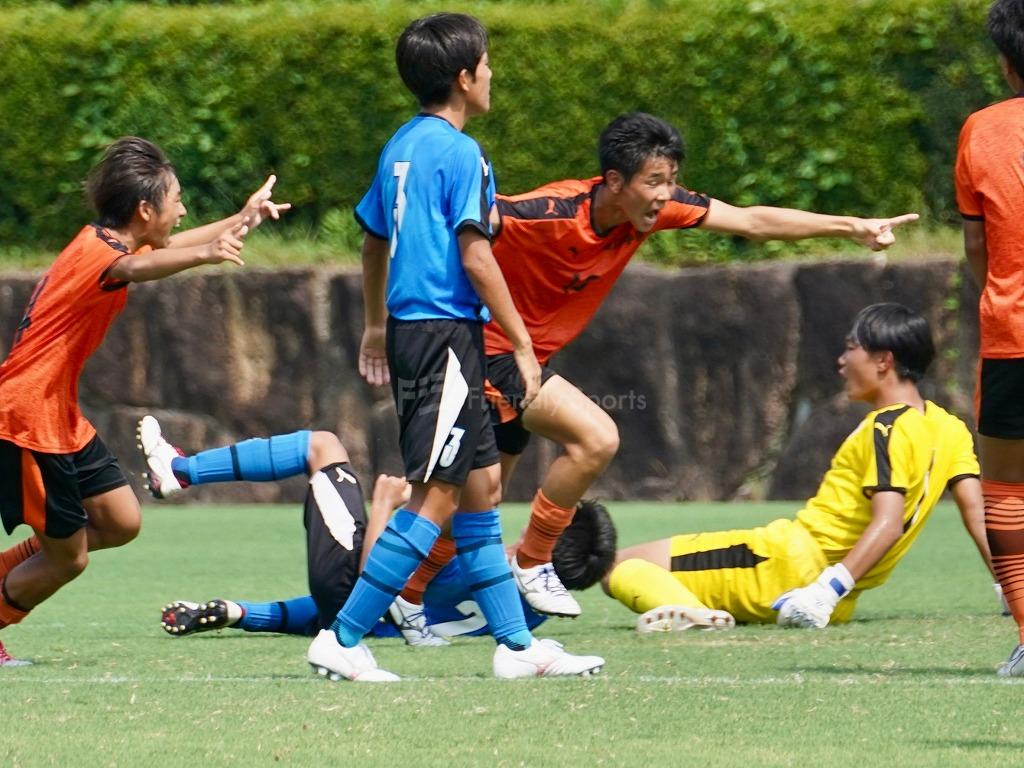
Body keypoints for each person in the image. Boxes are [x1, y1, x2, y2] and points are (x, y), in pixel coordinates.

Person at [381, 112, 921, 622]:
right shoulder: (547, 212)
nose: (664, 194)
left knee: (474, 501)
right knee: (595, 437)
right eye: (654, 180)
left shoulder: (653, 213)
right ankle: (532, 561)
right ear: (615, 180)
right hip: (489, 352)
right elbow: (467, 226)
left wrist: (850, 225)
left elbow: (752, 221)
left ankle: (406, 598)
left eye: (672, 180)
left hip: (521, 362)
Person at [333, 12, 602, 681]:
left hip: (415, 333)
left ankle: (517, 648)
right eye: (486, 63)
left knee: (481, 489)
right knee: (437, 497)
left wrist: (373, 324)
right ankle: (343, 638)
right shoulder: (463, 153)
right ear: (463, 77)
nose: (492, 73)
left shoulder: (401, 144)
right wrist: (522, 344)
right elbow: (477, 256)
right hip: (445, 336)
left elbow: (373, 242)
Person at [0, 137, 289, 667]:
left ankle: (7, 573)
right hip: (26, 418)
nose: (181, 210)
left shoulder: (109, 240)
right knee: (68, 561)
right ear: (145, 209)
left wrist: (241, 219)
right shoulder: (102, 255)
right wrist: (205, 255)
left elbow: (159, 252)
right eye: (175, 200)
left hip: (57, 414)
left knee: (120, 520)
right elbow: (136, 269)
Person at [602, 304, 997, 632]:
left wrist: (825, 588)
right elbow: (977, 513)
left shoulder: (887, 426)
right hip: (836, 598)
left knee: (616, 566)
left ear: (883, 361)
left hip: (783, 566)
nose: (841, 361)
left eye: (850, 349)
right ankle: (699, 610)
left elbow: (889, 522)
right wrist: (1008, 587)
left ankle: (698, 617)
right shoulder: (950, 427)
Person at [142, 424, 615, 643]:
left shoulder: (479, 566)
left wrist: (384, 509)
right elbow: (348, 616)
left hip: (353, 599)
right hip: (347, 615)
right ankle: (235, 608)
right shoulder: (530, 618)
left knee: (323, 445)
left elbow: (377, 585)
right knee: (336, 611)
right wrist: (243, 614)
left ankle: (181, 471)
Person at [955, 0, 1024, 677]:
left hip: (1013, 333)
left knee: (1005, 489)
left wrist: (1001, 283)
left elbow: (977, 243)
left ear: (1006, 64)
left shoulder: (981, 129)